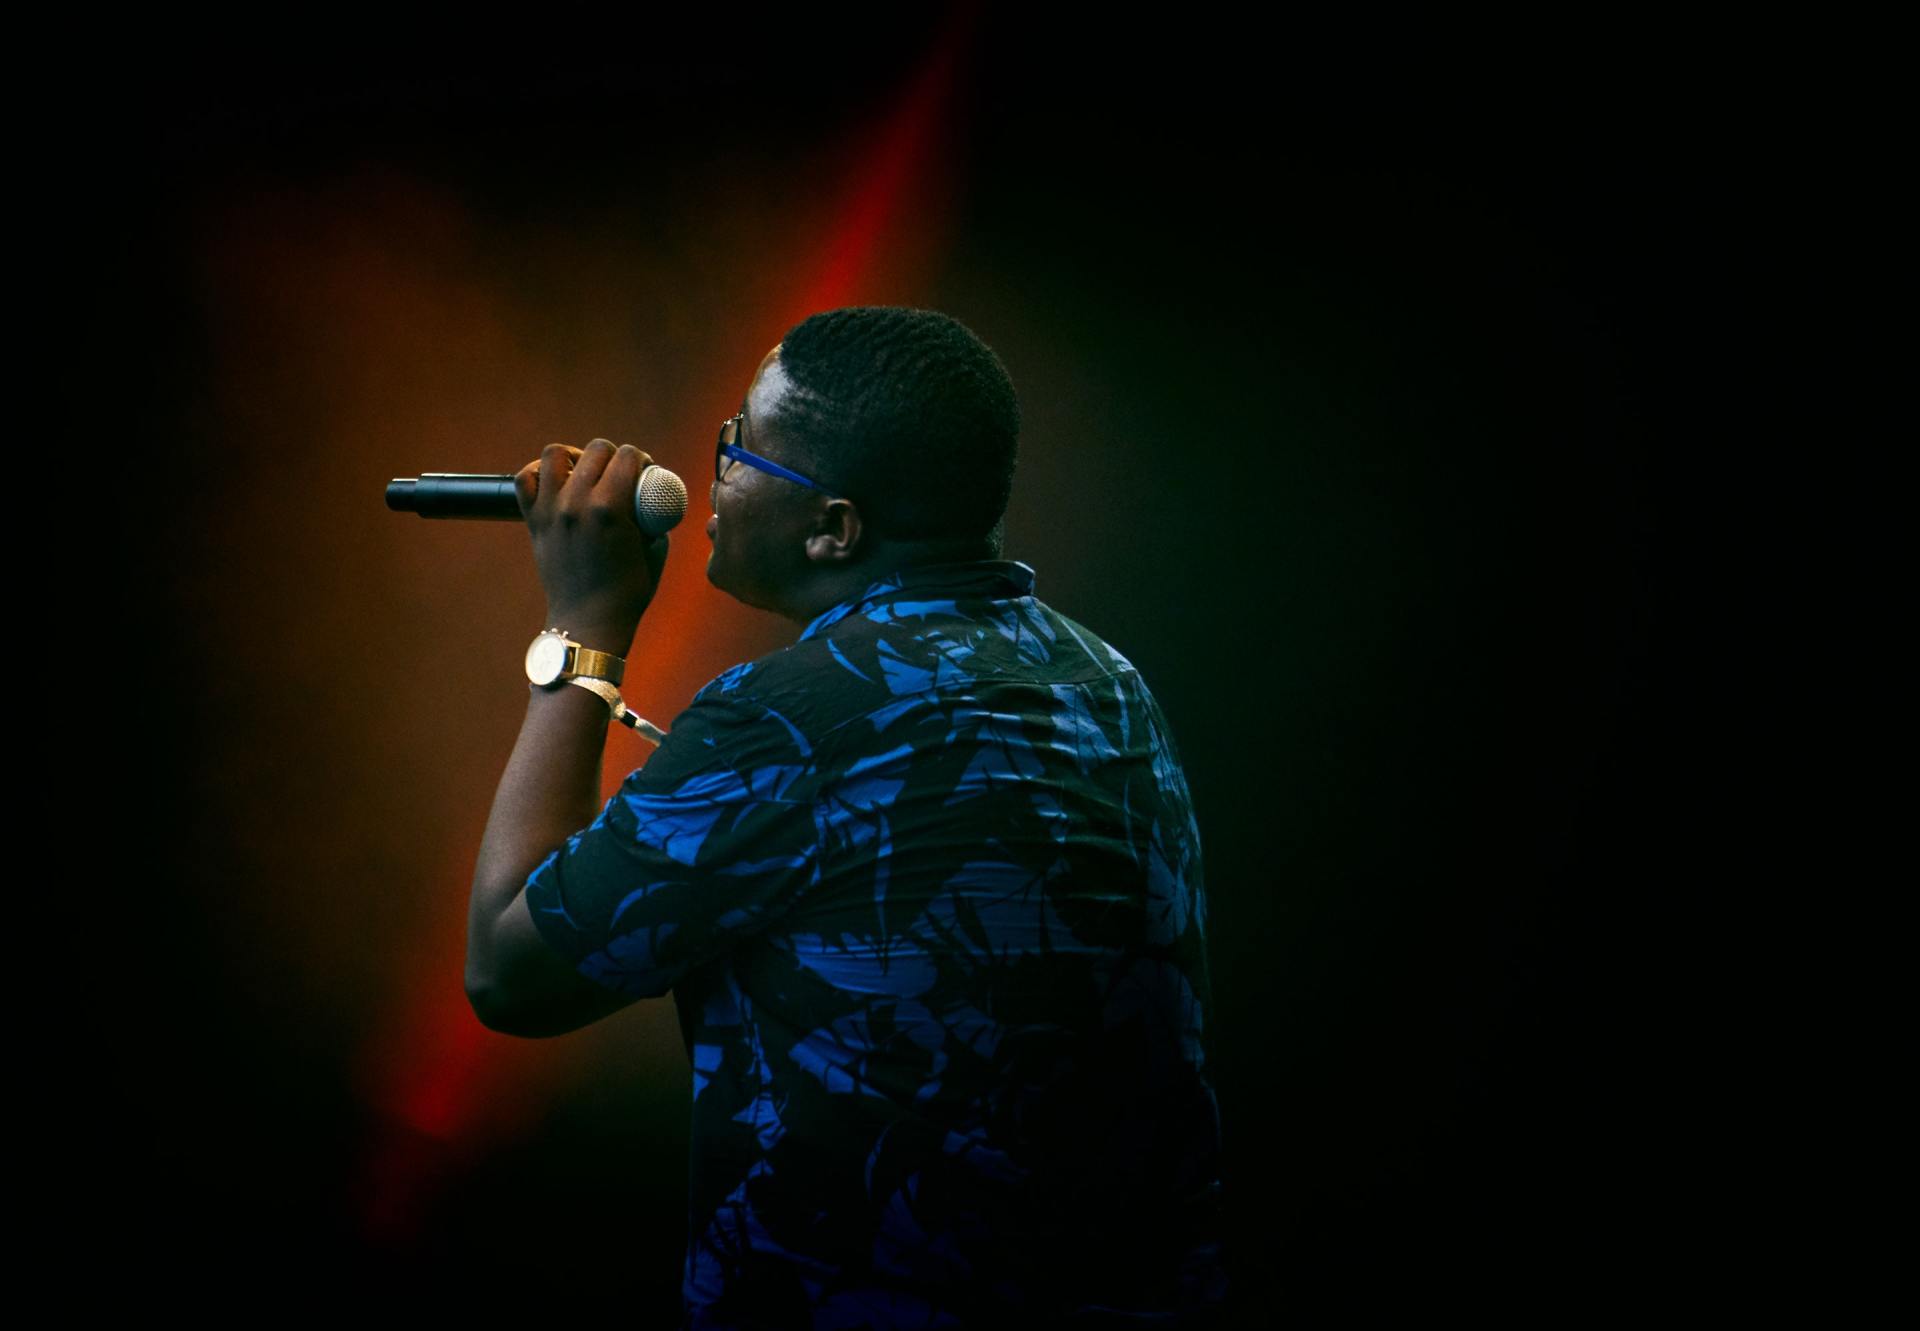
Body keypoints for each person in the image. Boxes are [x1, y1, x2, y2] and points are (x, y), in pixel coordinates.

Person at [465, 307, 1225, 1327]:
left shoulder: (793, 716)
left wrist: (584, 622)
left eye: (740, 447)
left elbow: (510, 971)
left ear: (834, 528)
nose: (713, 473)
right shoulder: (1109, 683)